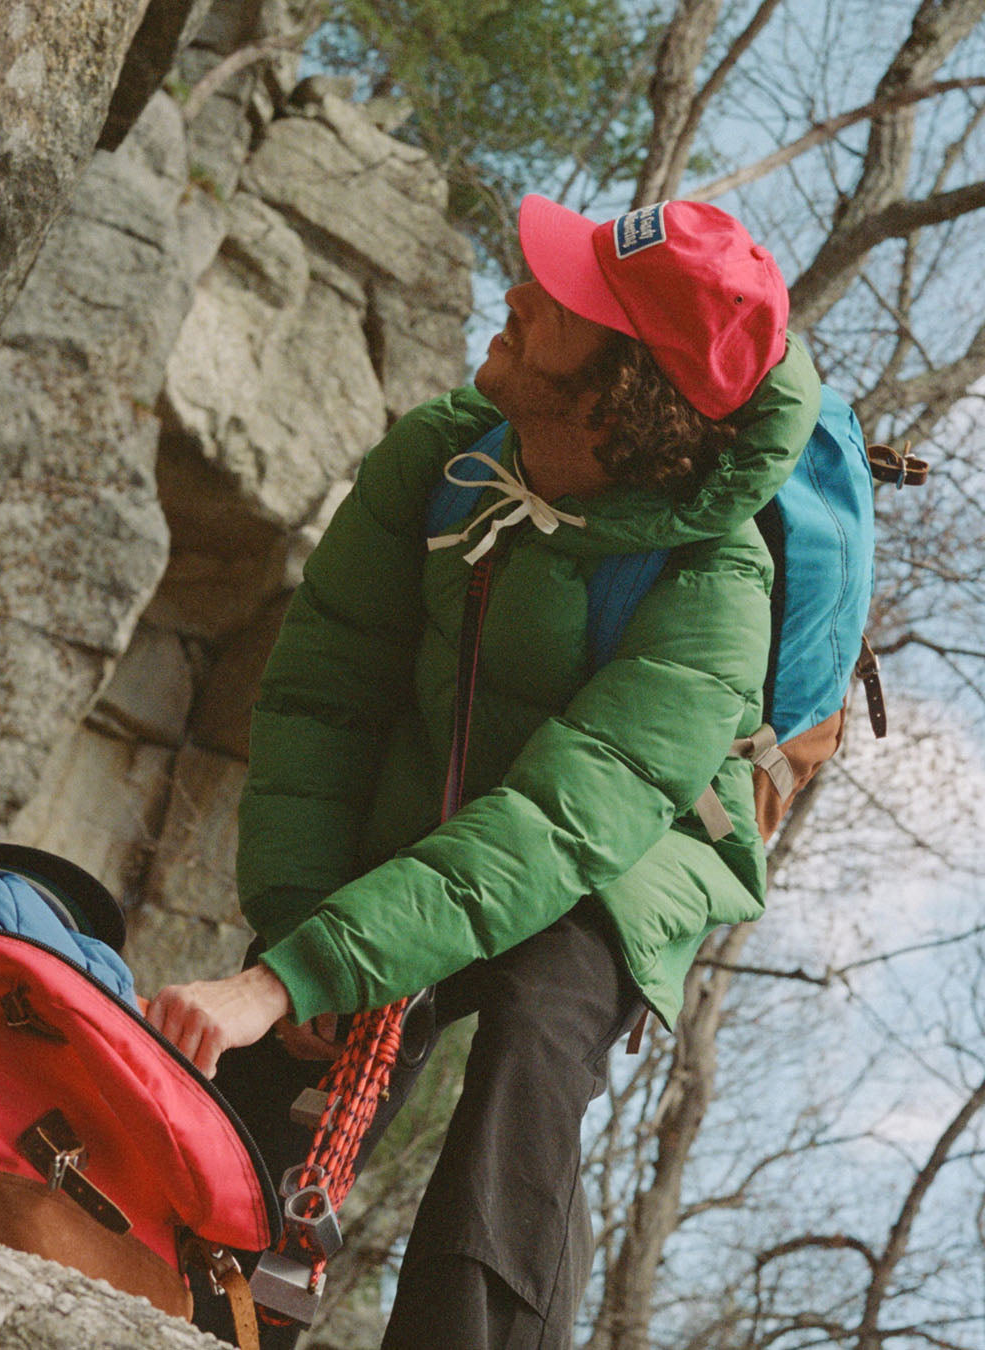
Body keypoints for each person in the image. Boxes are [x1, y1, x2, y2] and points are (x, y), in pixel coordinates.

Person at [147, 194, 821, 1347]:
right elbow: (325, 698)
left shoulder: (717, 596)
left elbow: (559, 829)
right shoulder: (446, 457)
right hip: (436, 803)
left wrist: (286, 977)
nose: (519, 293)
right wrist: (301, 938)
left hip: (623, 853)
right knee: (283, 1061)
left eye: (566, 307)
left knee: (536, 1026)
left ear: (631, 392)